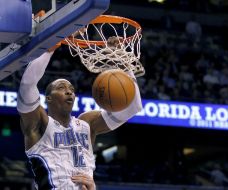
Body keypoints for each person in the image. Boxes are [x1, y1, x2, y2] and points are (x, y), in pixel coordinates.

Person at [17, 38, 143, 189]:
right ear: (48, 98)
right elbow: (27, 85)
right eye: (61, 87)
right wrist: (49, 47)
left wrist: (120, 61)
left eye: (71, 88)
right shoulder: (40, 124)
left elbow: (132, 107)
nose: (69, 91)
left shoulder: (86, 124)